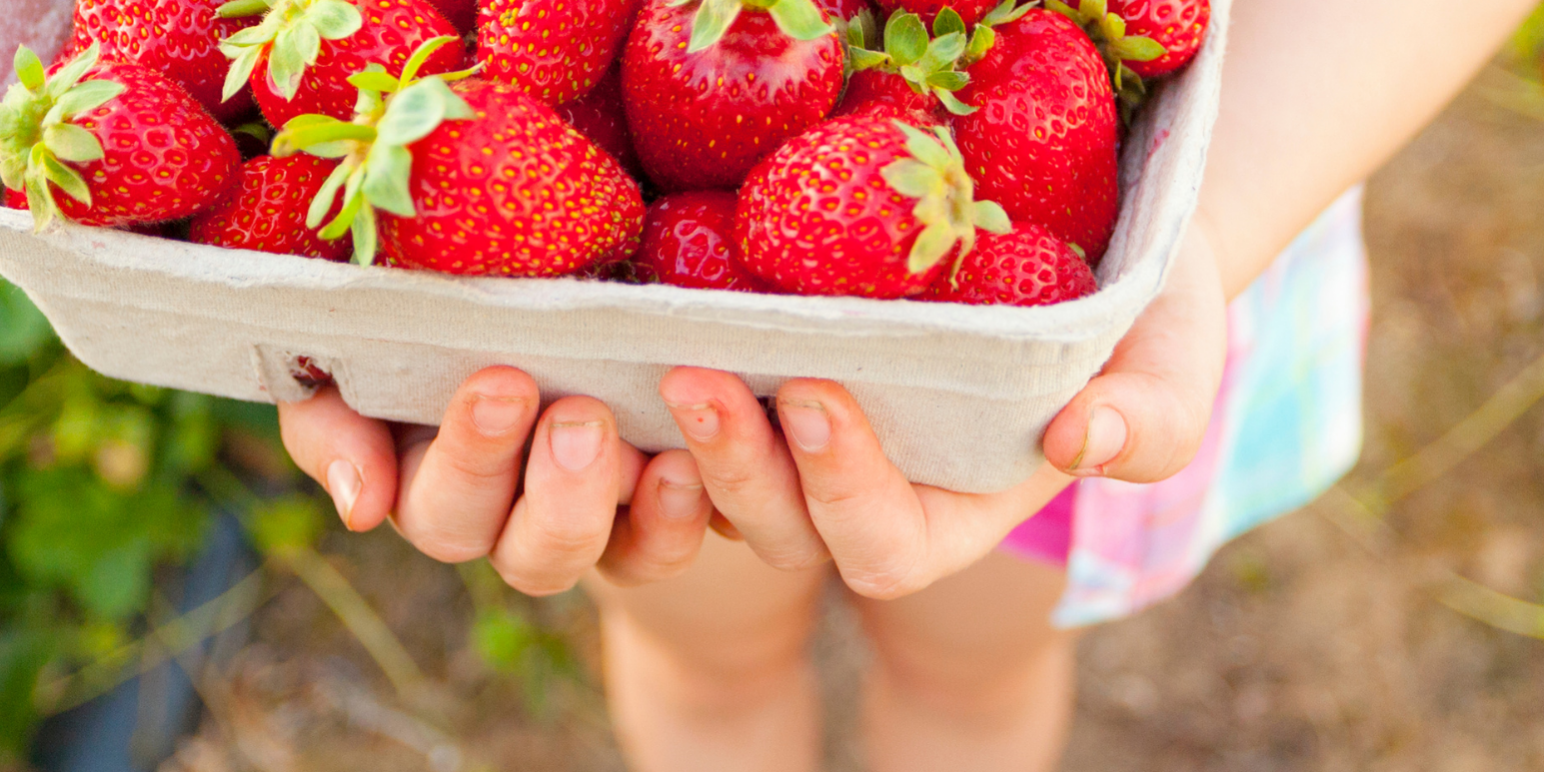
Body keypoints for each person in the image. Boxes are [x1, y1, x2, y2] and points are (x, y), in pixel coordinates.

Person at [277, 1, 1540, 769]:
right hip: (623, 346)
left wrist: (1194, 235)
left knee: (969, 673)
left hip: (1062, 268)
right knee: (701, 657)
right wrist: (367, 260)